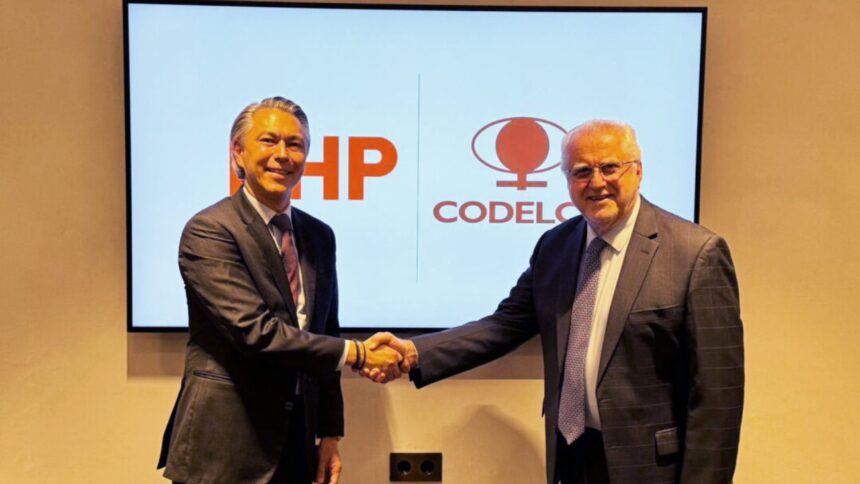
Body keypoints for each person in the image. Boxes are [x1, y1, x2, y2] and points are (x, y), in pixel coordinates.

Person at [369, 120, 744, 484]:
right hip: (571, 453)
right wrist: (414, 352)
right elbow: (505, 325)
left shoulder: (696, 254)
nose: (596, 182)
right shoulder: (555, 246)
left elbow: (718, 397)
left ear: (638, 171)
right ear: (567, 179)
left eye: (609, 167)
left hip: (650, 467)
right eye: (581, 171)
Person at [157, 96, 402, 484]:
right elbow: (255, 332)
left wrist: (329, 435)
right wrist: (358, 354)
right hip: (223, 448)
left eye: (295, 144)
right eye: (268, 141)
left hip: (297, 444)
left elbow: (326, 333)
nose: (283, 155)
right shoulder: (210, 230)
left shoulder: (319, 236)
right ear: (238, 152)